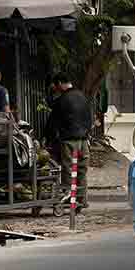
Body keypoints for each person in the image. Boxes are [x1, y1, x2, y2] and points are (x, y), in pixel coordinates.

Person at [45, 72, 91, 210]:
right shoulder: (82, 96)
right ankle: (82, 199)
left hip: (69, 140)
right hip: (83, 140)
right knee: (82, 169)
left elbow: (53, 122)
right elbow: (89, 117)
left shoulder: (62, 100)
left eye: (55, 86)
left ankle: (69, 198)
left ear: (59, 83)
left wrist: (48, 138)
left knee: (69, 170)